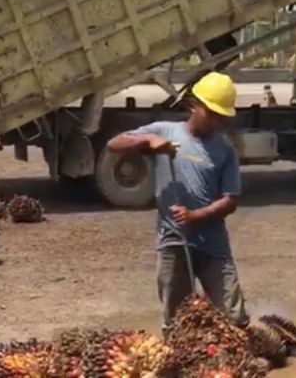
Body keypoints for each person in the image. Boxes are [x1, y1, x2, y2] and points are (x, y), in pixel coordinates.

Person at [106, 71, 248, 338]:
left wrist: (196, 216)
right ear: (195, 105)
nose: (216, 121)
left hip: (213, 245)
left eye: (221, 116)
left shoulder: (225, 150)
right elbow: (114, 144)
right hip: (173, 242)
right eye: (212, 113)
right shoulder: (164, 131)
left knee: (235, 319)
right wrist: (146, 141)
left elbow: (231, 200)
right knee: (177, 322)